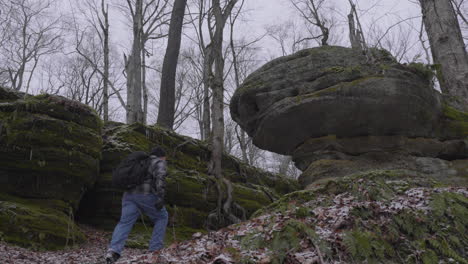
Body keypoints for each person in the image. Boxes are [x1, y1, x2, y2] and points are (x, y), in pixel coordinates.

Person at [105, 147, 169, 264]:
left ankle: (113, 251)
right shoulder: (158, 162)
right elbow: (161, 177)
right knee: (162, 217)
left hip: (128, 195)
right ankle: (155, 250)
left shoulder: (140, 162)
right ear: (161, 156)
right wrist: (160, 197)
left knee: (124, 223)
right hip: (145, 194)